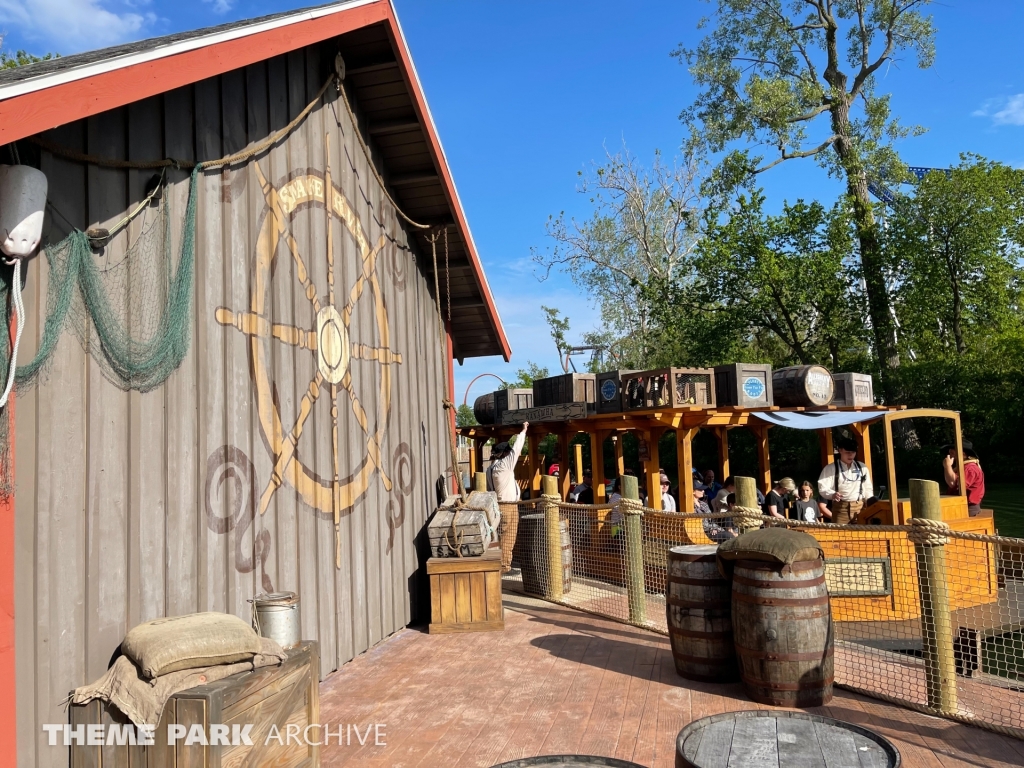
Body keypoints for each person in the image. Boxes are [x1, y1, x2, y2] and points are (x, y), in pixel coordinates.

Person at [487, 421, 528, 572]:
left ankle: (500, 562)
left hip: (498, 504)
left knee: (501, 535)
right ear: (504, 454)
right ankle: (503, 565)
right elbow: (517, 449)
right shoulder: (504, 465)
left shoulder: (490, 469)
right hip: (508, 505)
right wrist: (523, 431)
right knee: (508, 536)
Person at [817, 437, 873, 525]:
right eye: (847, 452)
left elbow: (868, 488)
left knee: (862, 535)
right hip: (840, 509)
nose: (850, 455)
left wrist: (870, 501)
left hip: (860, 508)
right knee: (840, 535)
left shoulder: (862, 467)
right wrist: (832, 494)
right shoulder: (831, 468)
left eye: (853, 452)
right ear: (840, 451)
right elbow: (822, 487)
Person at [942, 440, 986, 516]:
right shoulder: (963, 467)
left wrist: (948, 466)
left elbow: (953, 483)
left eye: (953, 449)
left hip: (968, 509)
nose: (950, 451)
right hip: (960, 506)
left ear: (963, 453)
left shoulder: (971, 469)